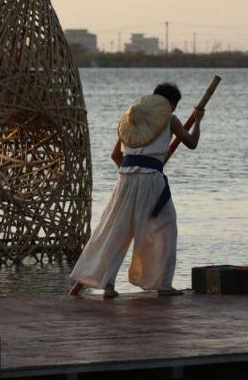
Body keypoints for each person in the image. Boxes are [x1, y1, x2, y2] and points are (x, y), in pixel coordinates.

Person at [69, 83, 204, 298]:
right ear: (171, 104)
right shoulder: (169, 119)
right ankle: (162, 285)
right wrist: (197, 121)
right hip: (151, 179)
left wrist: (133, 169)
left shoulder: (131, 120)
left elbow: (116, 156)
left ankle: (107, 285)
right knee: (165, 227)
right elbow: (192, 142)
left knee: (115, 230)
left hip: (125, 178)